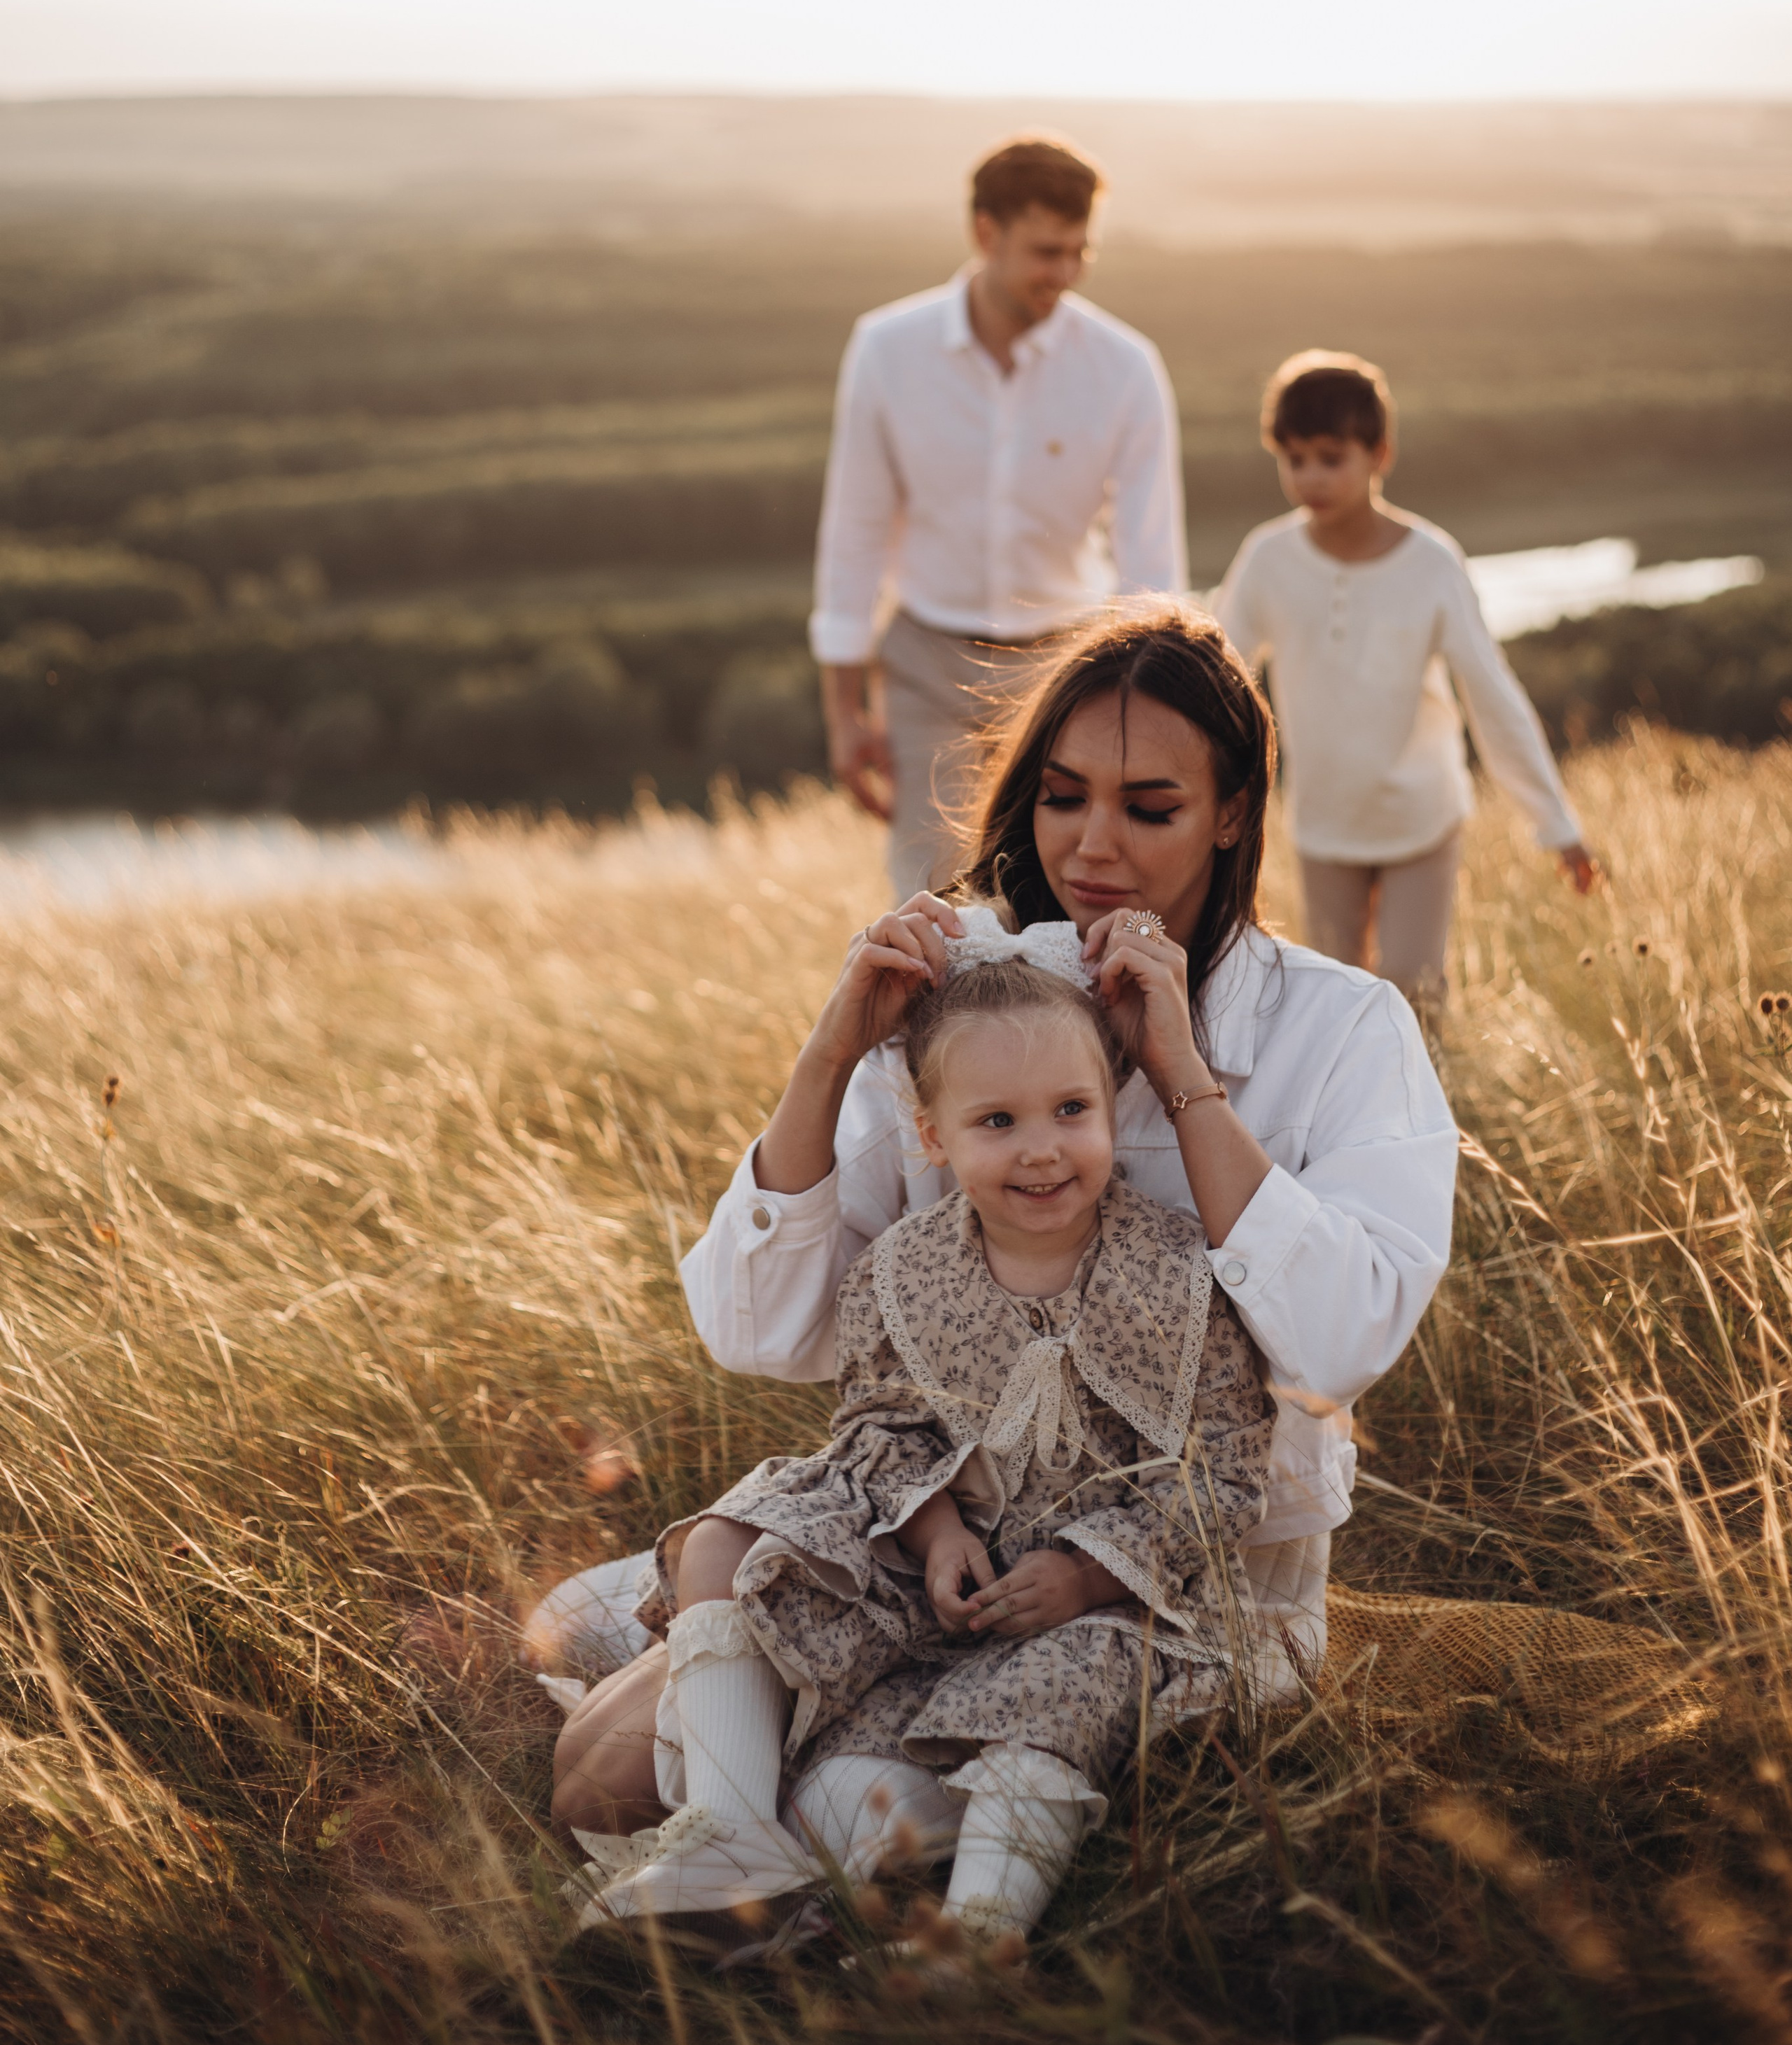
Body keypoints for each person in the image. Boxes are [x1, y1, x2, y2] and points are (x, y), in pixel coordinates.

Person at [547, 603, 1461, 1873]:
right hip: (931, 1557)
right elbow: (764, 1333)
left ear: (1235, 813)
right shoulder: (960, 1001)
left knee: (830, 1819)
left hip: (1169, 1594)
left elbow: (1339, 1341)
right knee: (584, 1703)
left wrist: (1181, 1070)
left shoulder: (1343, 1029)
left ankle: (796, 1813)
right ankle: (744, 1780)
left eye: (1151, 807)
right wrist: (837, 1047)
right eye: (1062, 795)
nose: (1094, 847)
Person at [567, 936, 1272, 1940]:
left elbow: (1226, 1474)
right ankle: (725, 1831)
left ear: (1114, 1107)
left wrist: (1089, 1574)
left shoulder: (1176, 1276)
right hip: (935, 1566)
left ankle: (981, 1936)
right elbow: (881, 1429)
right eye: (997, 1121)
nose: (1040, 1149)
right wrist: (938, 1532)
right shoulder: (902, 1271)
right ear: (932, 1134)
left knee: (1038, 1703)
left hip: (1098, 1600)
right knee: (729, 1541)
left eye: (1071, 1111)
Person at [811, 134, 1186, 900]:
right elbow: (853, 533)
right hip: (925, 663)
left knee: (1073, 893)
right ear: (985, 232)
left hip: (1069, 665)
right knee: (933, 898)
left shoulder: (1124, 366)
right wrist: (844, 711)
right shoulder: (887, 351)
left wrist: (1153, 712)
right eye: (1046, 252)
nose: (1065, 274)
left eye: (1080, 253)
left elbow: (1152, 561)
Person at [1215, 351, 1595, 999]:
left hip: (1422, 816)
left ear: (1379, 454)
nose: (1310, 477)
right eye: (1294, 458)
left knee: (1413, 991)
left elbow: (1492, 697)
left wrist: (1558, 829)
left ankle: (1429, 1102)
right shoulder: (1267, 559)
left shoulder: (1431, 563)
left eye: (1331, 458)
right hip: (1323, 822)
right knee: (1332, 997)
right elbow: (1214, 682)